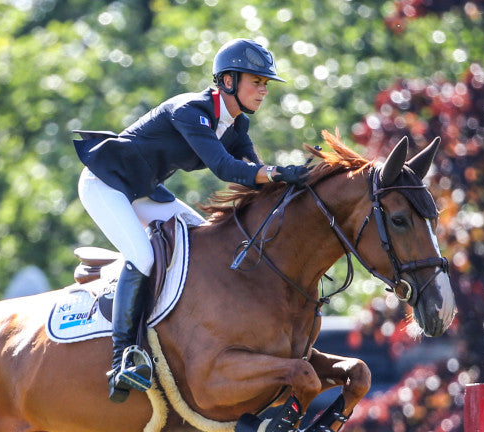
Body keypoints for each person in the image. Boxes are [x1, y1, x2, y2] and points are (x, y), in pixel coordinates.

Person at [73, 38, 311, 402]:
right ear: (228, 81)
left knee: (204, 239)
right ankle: (123, 358)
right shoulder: (191, 110)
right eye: (257, 82)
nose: (263, 91)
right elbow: (226, 168)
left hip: (143, 190)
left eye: (265, 84)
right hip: (105, 183)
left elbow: (253, 176)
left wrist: (301, 187)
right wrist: (280, 172)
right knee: (143, 257)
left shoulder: (237, 127)